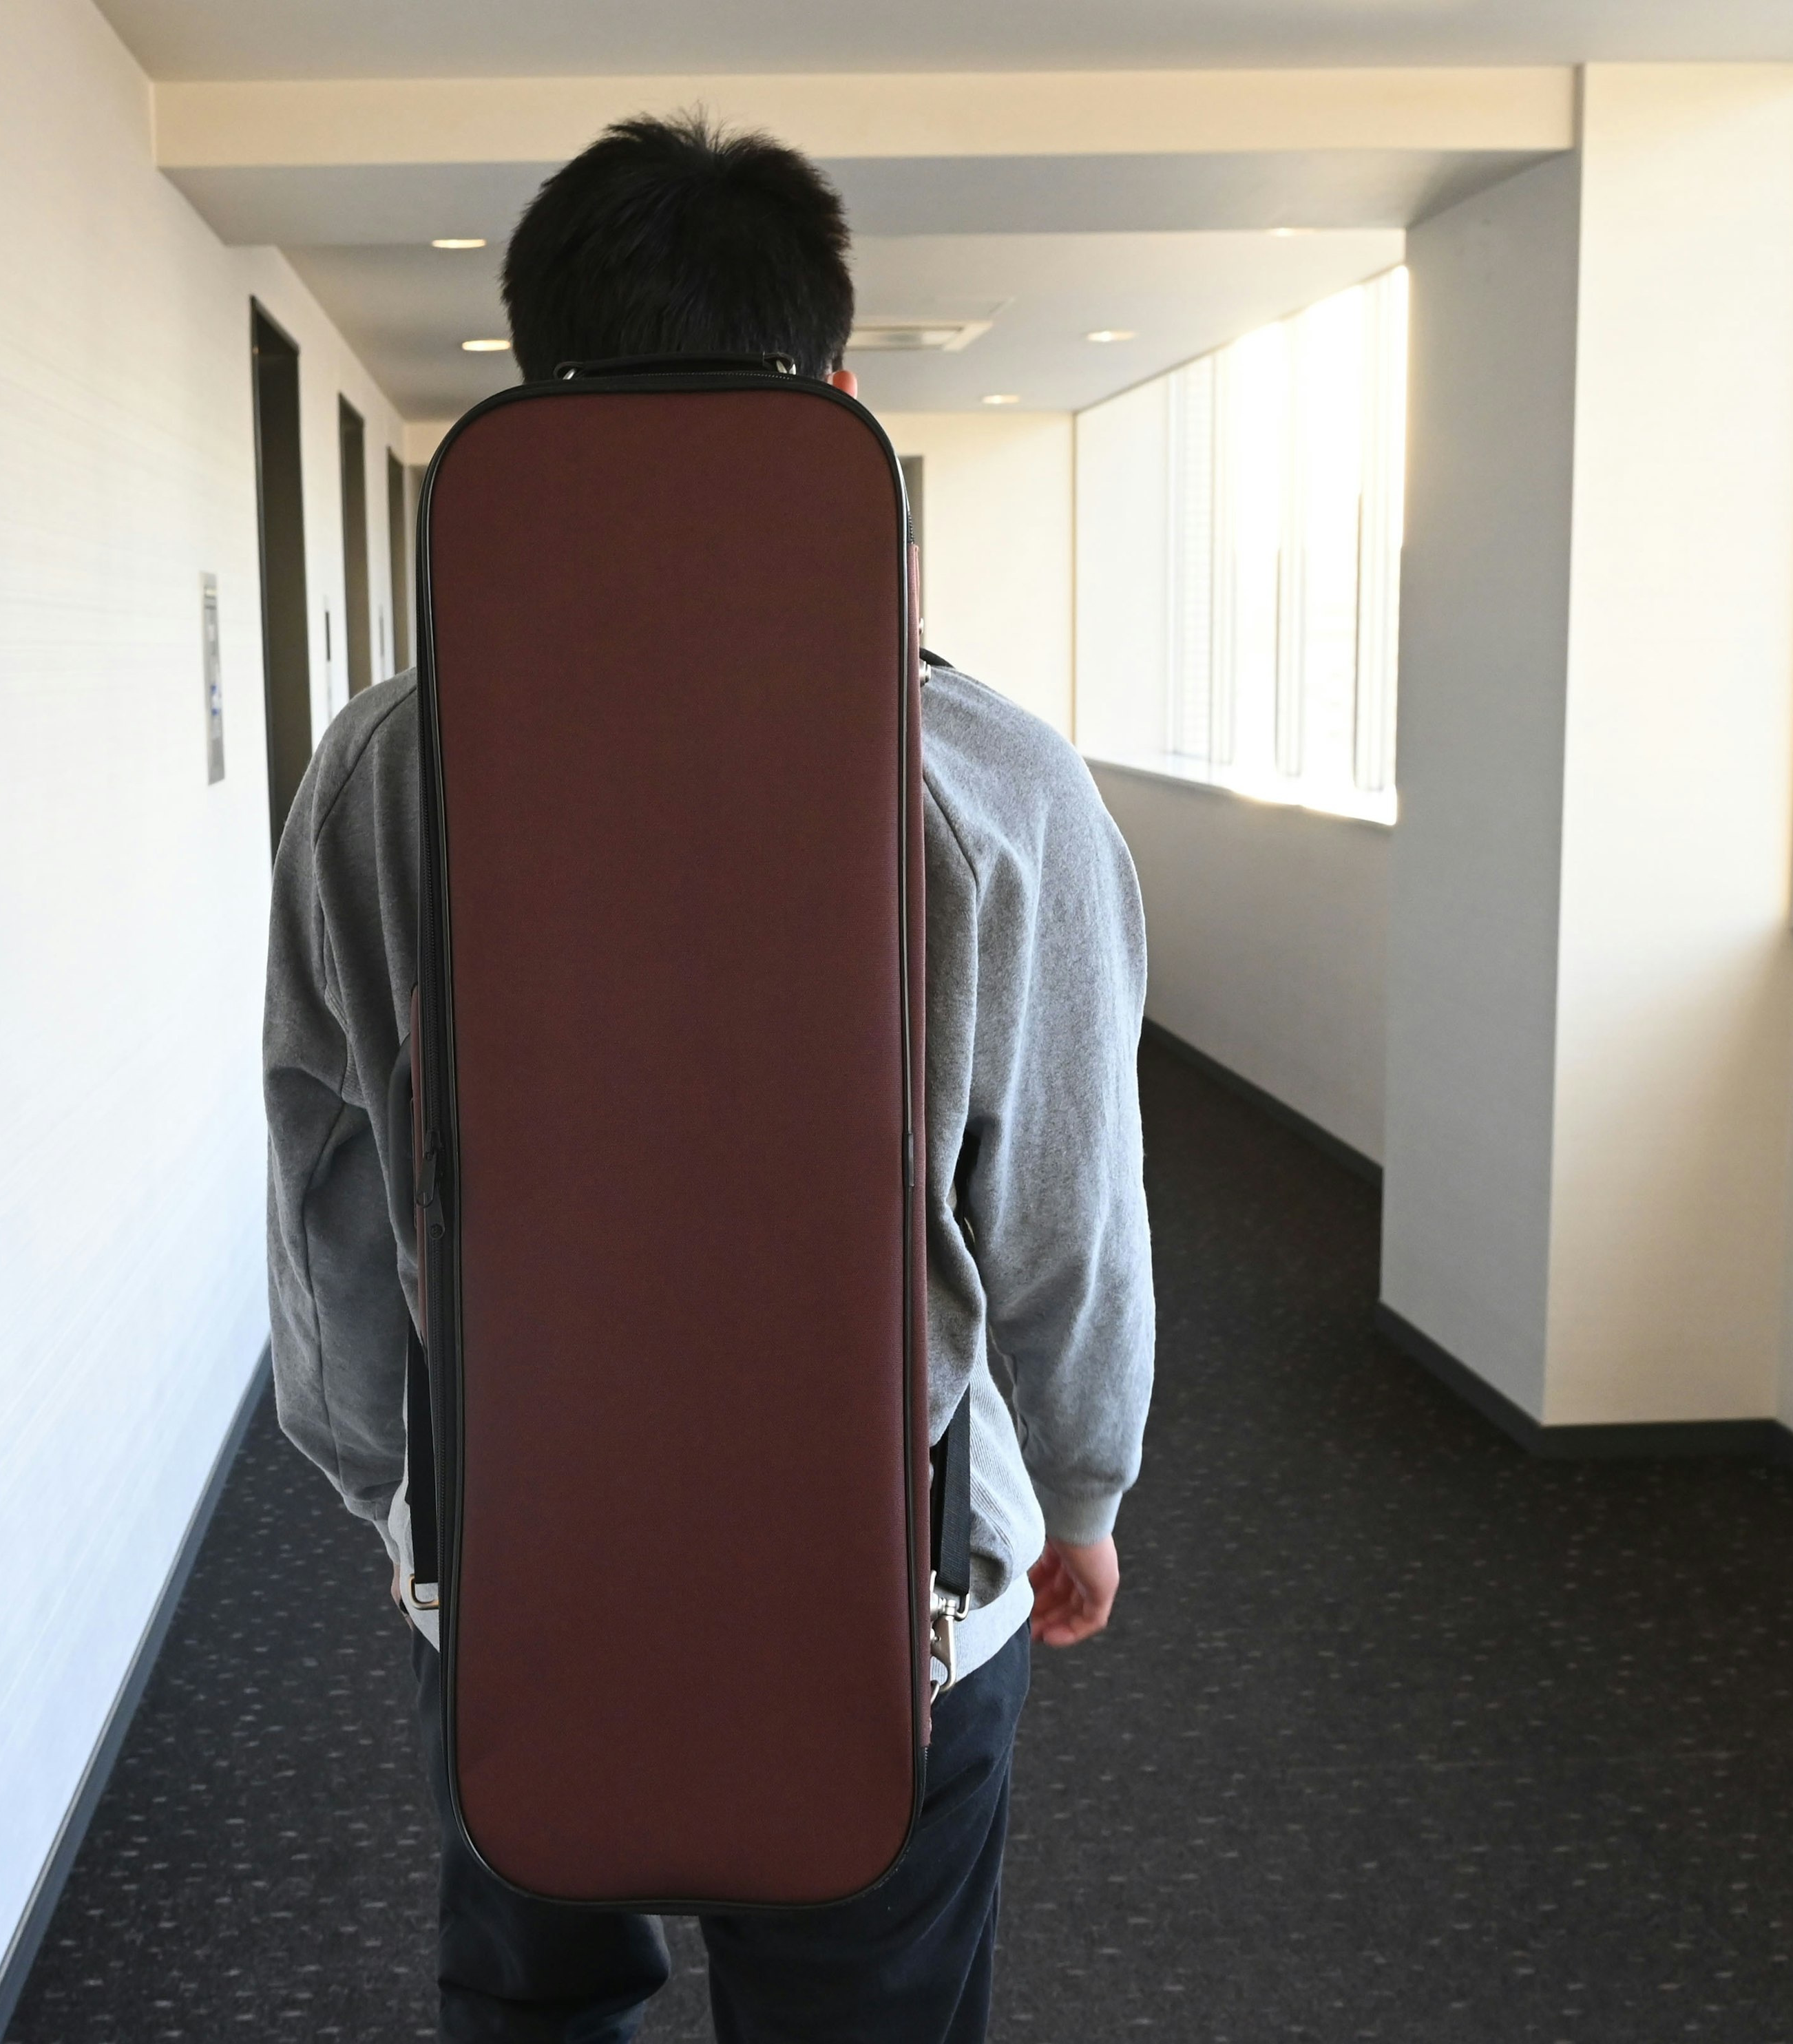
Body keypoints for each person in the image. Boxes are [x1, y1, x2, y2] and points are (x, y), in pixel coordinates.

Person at [263, 112, 1154, 2044]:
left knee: (531, 1995)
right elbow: (1066, 1204)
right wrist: (1081, 1484)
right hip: (891, 1583)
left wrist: (389, 1489)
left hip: (517, 1547)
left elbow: (326, 1164)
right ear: (835, 387)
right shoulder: (994, 786)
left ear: (536, 392)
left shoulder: (379, 773)